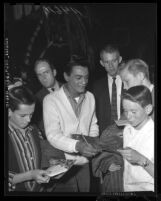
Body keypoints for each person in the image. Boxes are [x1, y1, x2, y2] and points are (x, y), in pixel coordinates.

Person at [43, 55, 101, 192]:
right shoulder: (51, 100)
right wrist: (77, 146)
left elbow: (93, 125)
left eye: (86, 77)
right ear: (66, 76)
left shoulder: (90, 97)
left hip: (84, 163)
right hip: (61, 165)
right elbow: (52, 135)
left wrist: (91, 144)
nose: (84, 82)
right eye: (78, 77)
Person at [8, 85, 50, 192]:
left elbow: (42, 156)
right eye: (22, 115)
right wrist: (30, 175)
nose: (28, 120)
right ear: (9, 111)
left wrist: (50, 166)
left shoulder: (34, 129)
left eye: (31, 114)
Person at [117, 85, 154, 191]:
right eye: (125, 111)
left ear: (148, 109)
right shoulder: (127, 129)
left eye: (133, 112)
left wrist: (140, 159)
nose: (128, 116)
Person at [33, 58, 65, 169]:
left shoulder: (71, 89)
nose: (43, 77)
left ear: (54, 72)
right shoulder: (36, 100)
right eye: (39, 75)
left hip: (78, 151)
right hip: (56, 155)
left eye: (46, 72)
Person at [92, 44, 124, 135]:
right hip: (105, 136)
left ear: (119, 60)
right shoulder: (96, 86)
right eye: (107, 62)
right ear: (102, 63)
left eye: (114, 61)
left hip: (127, 133)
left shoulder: (128, 82)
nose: (111, 66)